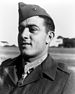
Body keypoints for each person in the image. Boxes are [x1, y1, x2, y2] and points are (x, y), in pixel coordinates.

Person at [0, 2, 70, 94]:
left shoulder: (65, 80)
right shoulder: (5, 68)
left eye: (33, 29)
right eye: (21, 29)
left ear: (49, 37)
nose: (23, 35)